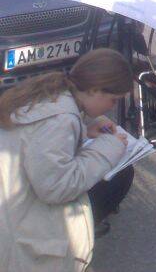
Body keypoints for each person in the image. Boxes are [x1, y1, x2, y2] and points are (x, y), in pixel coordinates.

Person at [0, 48, 134, 272]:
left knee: (116, 173)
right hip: (15, 219)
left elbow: (39, 144)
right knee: (119, 177)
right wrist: (108, 148)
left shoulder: (53, 91)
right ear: (94, 89)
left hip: (12, 193)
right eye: (113, 100)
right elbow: (56, 188)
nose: (112, 107)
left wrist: (85, 131)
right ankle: (80, 235)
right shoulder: (61, 119)